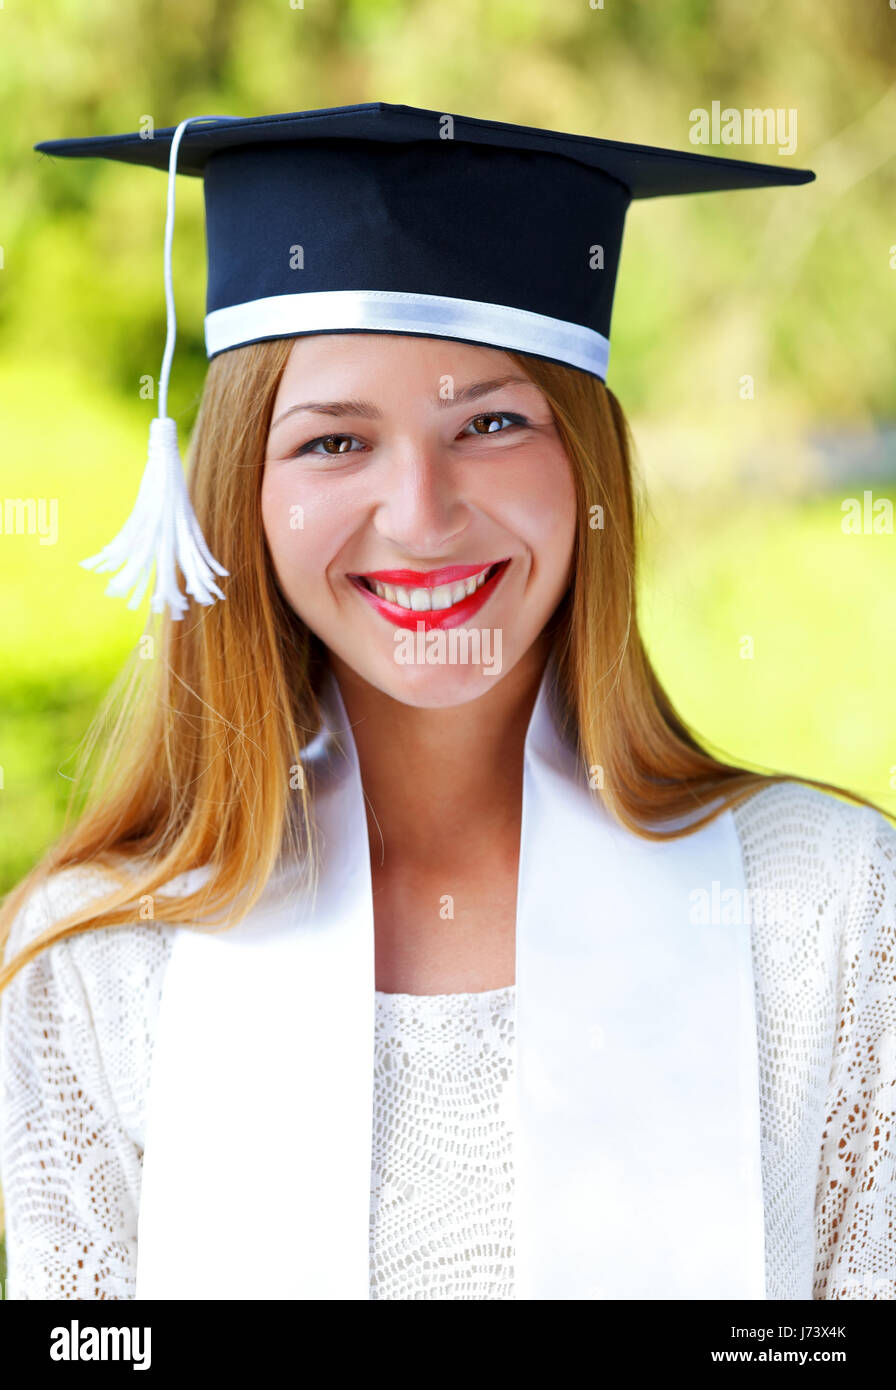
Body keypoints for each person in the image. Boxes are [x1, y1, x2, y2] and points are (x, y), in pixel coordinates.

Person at [1, 105, 894, 1301]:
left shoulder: (829, 907)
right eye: (332, 443)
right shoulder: (98, 959)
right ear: (232, 491)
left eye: (489, 423)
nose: (420, 515)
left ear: (586, 466)